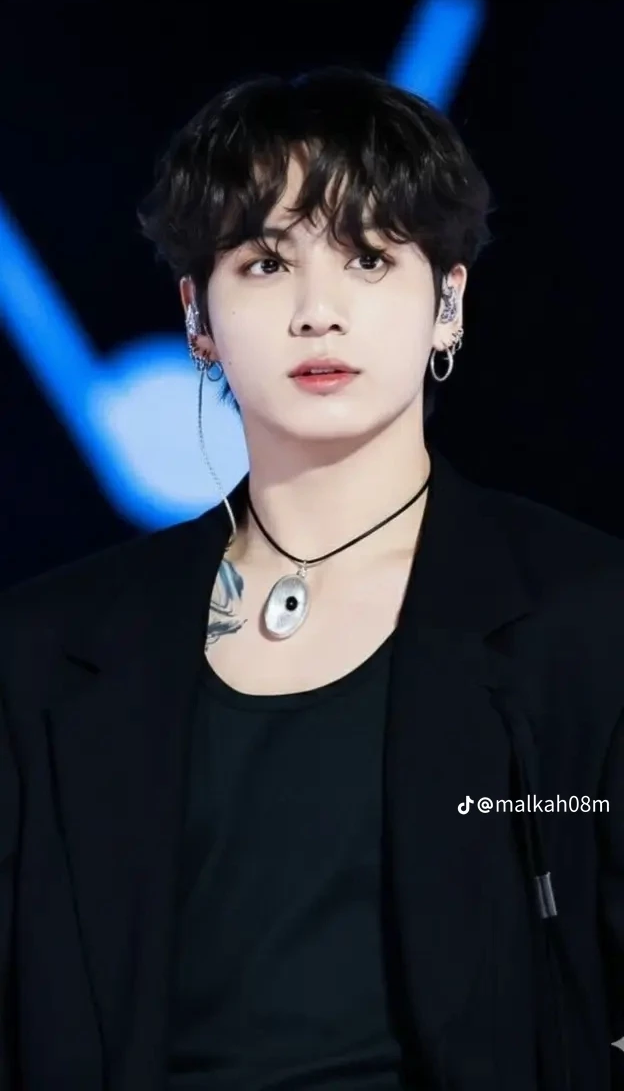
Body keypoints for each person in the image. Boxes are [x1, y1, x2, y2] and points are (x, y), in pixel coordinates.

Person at [1, 65, 623, 1091]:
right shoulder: (43, 653)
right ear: (198, 317)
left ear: (448, 303)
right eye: (265, 263)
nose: (318, 311)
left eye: (369, 258)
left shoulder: (585, 620)